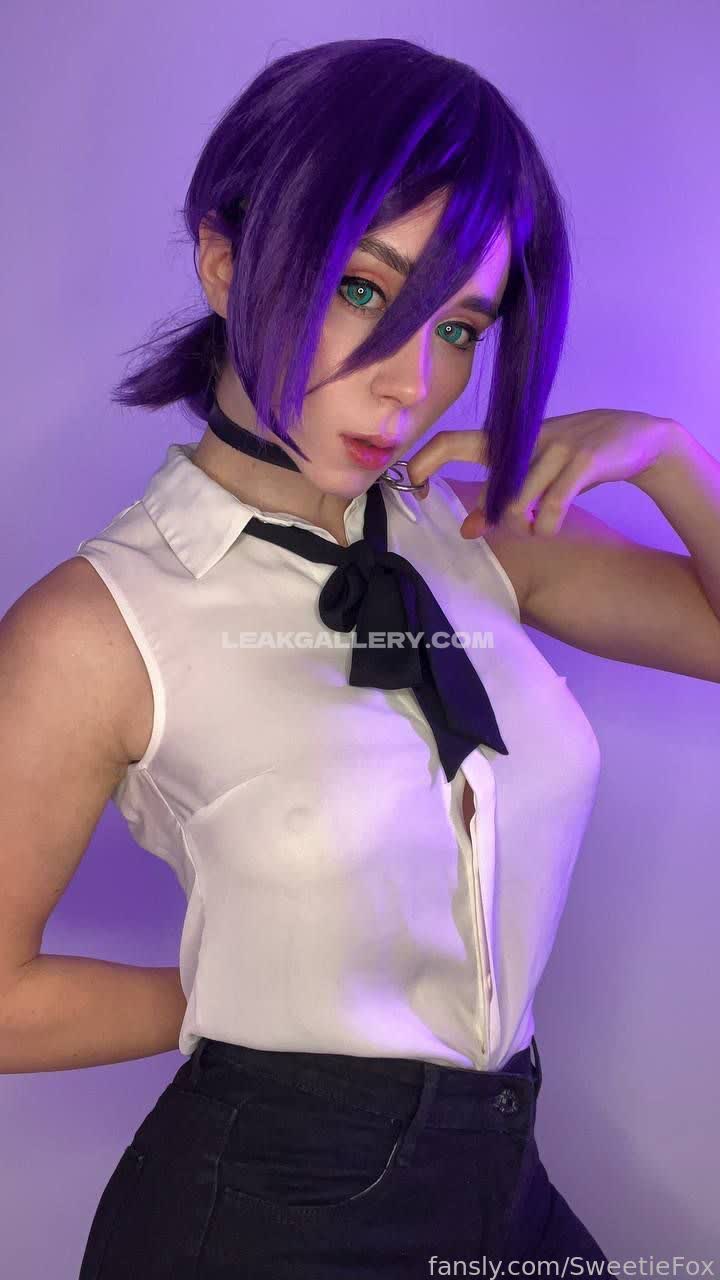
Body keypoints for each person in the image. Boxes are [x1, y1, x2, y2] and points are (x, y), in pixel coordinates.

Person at [3, 35, 718, 1280]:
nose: (411, 382)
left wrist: (668, 459)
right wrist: (241, 1006)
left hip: (504, 1178)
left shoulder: (481, 533)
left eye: (461, 325)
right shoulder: (98, 624)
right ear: (226, 261)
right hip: (261, 1214)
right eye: (362, 289)